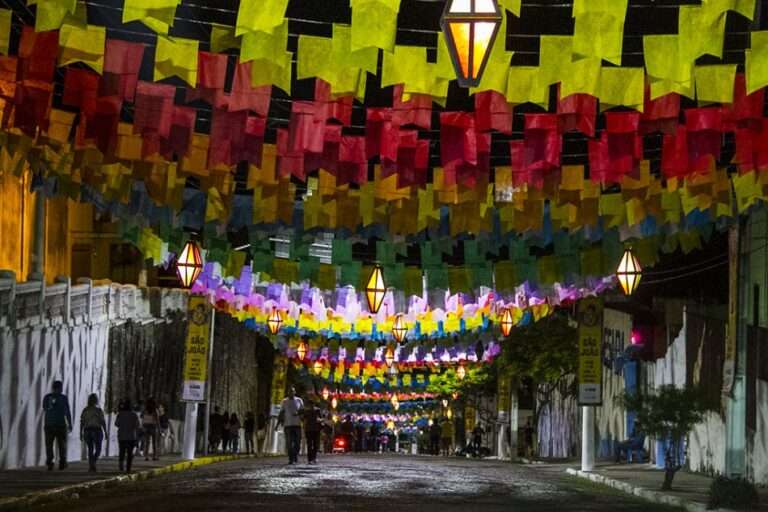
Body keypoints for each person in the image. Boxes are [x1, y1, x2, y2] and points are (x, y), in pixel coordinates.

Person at [42, 380, 72, 471]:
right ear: (59, 388)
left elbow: (45, 408)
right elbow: (67, 411)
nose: (61, 390)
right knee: (61, 445)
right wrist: (69, 423)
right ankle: (61, 462)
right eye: (61, 388)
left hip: (49, 425)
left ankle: (51, 462)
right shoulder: (62, 398)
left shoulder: (47, 397)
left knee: (50, 445)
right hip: (59, 425)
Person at [80, 393, 107, 472]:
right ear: (96, 400)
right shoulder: (98, 410)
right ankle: (93, 462)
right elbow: (102, 421)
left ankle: (91, 465)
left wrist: (80, 432)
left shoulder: (85, 410)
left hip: (87, 430)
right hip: (96, 430)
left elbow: (82, 422)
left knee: (90, 449)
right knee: (98, 449)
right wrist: (105, 432)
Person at [278, 387, 304, 464]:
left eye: (292, 391)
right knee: (289, 443)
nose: (291, 393)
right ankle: (291, 459)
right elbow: (281, 412)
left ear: (295, 392)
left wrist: (298, 413)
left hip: (297, 425)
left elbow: (303, 411)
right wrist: (278, 423)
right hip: (288, 425)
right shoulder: (284, 401)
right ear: (288, 393)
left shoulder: (299, 400)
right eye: (290, 391)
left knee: (297, 443)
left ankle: (295, 455)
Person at [115, 399, 141, 473]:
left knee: (122, 451)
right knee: (130, 453)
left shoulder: (120, 414)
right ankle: (128, 468)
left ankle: (121, 465)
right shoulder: (134, 415)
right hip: (131, 436)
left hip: (121, 436)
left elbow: (116, 424)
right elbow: (137, 426)